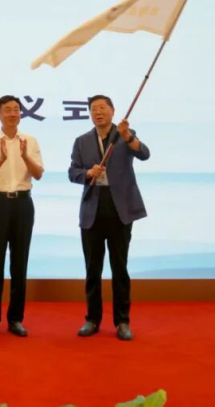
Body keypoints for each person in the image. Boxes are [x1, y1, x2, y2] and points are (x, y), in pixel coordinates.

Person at [68, 95, 150, 341]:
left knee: (119, 268)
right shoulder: (82, 141)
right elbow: (72, 172)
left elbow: (144, 154)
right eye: (93, 109)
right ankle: (92, 319)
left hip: (120, 211)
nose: (98, 112)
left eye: (103, 108)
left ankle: (122, 321)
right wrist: (87, 173)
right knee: (92, 270)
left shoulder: (124, 135)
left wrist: (129, 137)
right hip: (92, 212)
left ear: (113, 111)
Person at [0, 95, 44, 338]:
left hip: (23, 204)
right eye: (7, 110)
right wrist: (2, 158)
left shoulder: (30, 140)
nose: (13, 113)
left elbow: (38, 174)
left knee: (19, 262)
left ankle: (15, 319)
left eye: (16, 109)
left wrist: (25, 156)